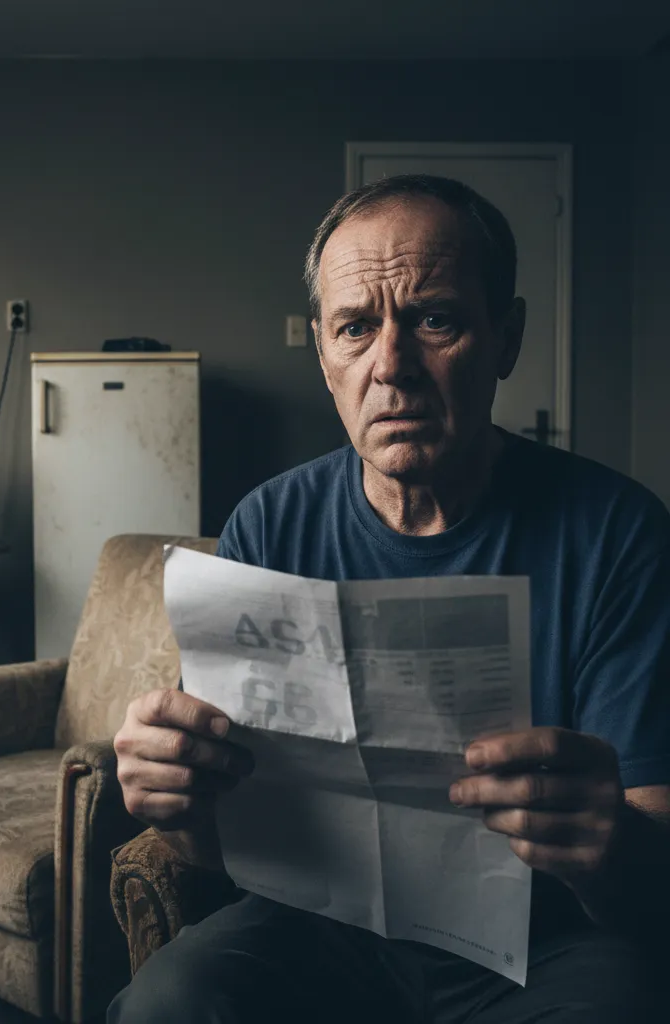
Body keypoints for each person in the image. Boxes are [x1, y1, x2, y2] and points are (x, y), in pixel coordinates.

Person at [108, 175, 670, 1023]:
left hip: (549, 939)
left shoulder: (619, 533)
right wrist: (173, 800)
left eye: (435, 320)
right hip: (322, 924)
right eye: (355, 328)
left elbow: (650, 860)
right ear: (324, 354)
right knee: (168, 1002)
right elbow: (217, 847)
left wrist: (609, 842)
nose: (391, 366)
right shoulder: (268, 523)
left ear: (506, 337)